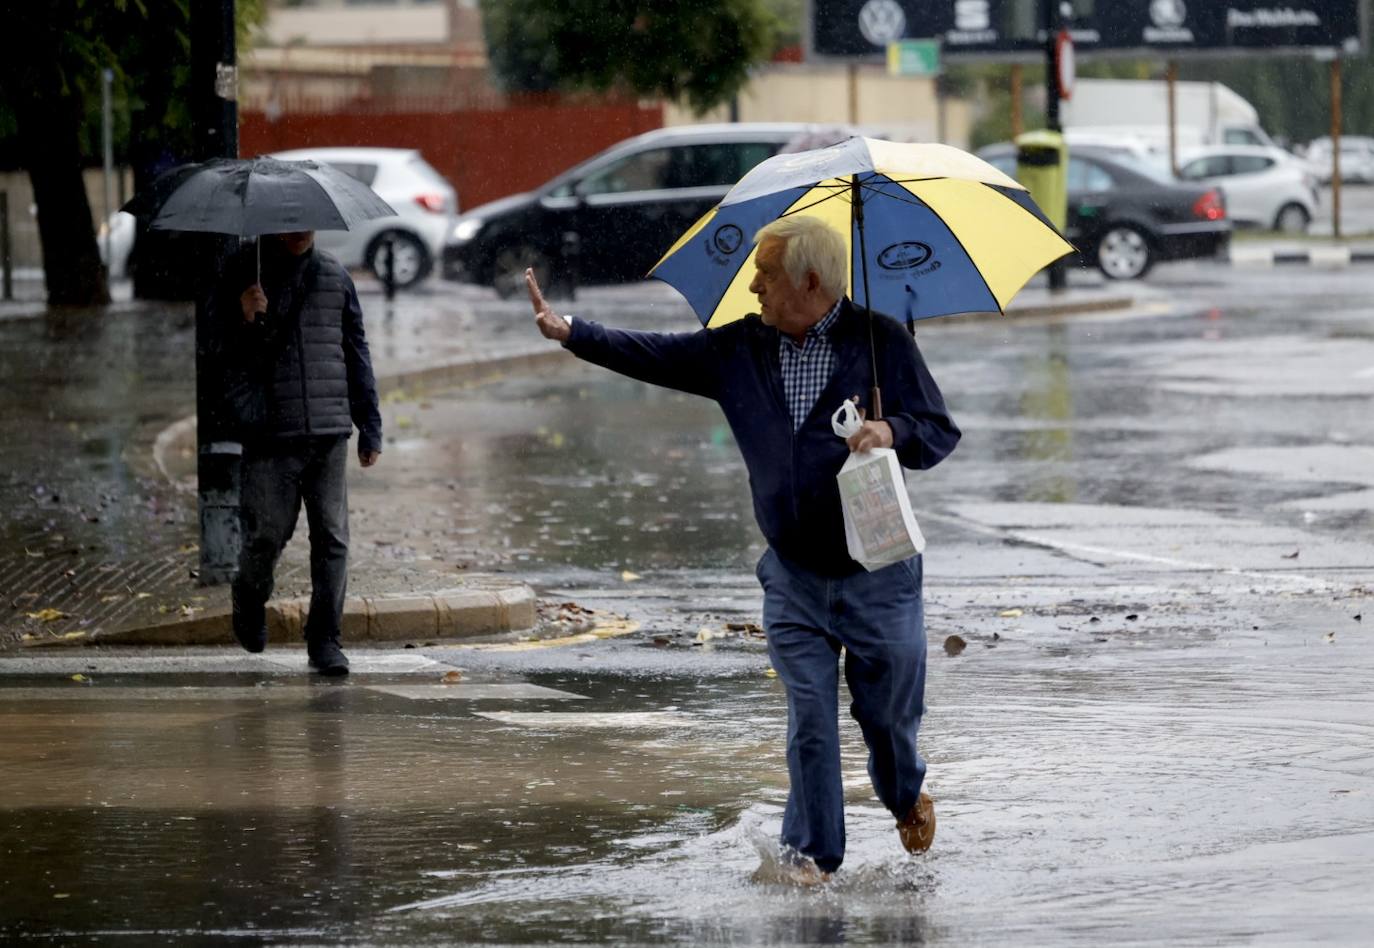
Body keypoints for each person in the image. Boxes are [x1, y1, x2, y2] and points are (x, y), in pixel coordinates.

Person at [526, 215, 960, 882]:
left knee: (890, 719)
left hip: (880, 574)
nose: (752, 286)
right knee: (809, 720)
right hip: (793, 576)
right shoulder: (740, 349)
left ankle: (903, 793)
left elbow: (938, 432)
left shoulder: (883, 344)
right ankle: (811, 857)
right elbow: (658, 352)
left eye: (765, 275)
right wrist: (573, 334)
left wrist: (891, 429)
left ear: (810, 281)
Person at [214, 230, 383, 677]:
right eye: (292, 223)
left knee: (332, 539)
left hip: (329, 431)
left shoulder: (334, 274)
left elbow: (355, 349)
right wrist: (244, 316)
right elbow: (218, 351)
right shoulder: (245, 273)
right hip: (271, 433)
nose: (300, 231)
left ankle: (325, 639)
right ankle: (248, 597)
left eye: (308, 222)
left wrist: (370, 425)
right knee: (266, 535)